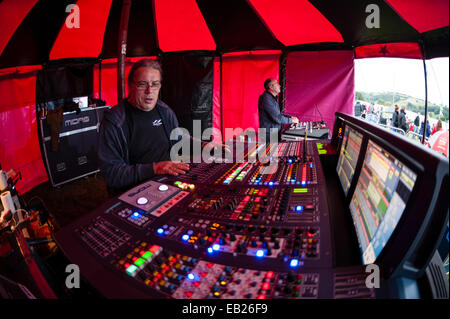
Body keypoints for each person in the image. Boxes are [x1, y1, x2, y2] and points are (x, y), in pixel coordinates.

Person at [97, 59, 225, 192]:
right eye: (142, 84)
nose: (149, 90)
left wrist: (203, 145)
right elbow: (112, 174)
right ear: (130, 85)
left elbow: (178, 139)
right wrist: (155, 168)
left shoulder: (164, 111)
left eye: (155, 84)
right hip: (133, 192)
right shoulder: (115, 121)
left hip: (167, 183)